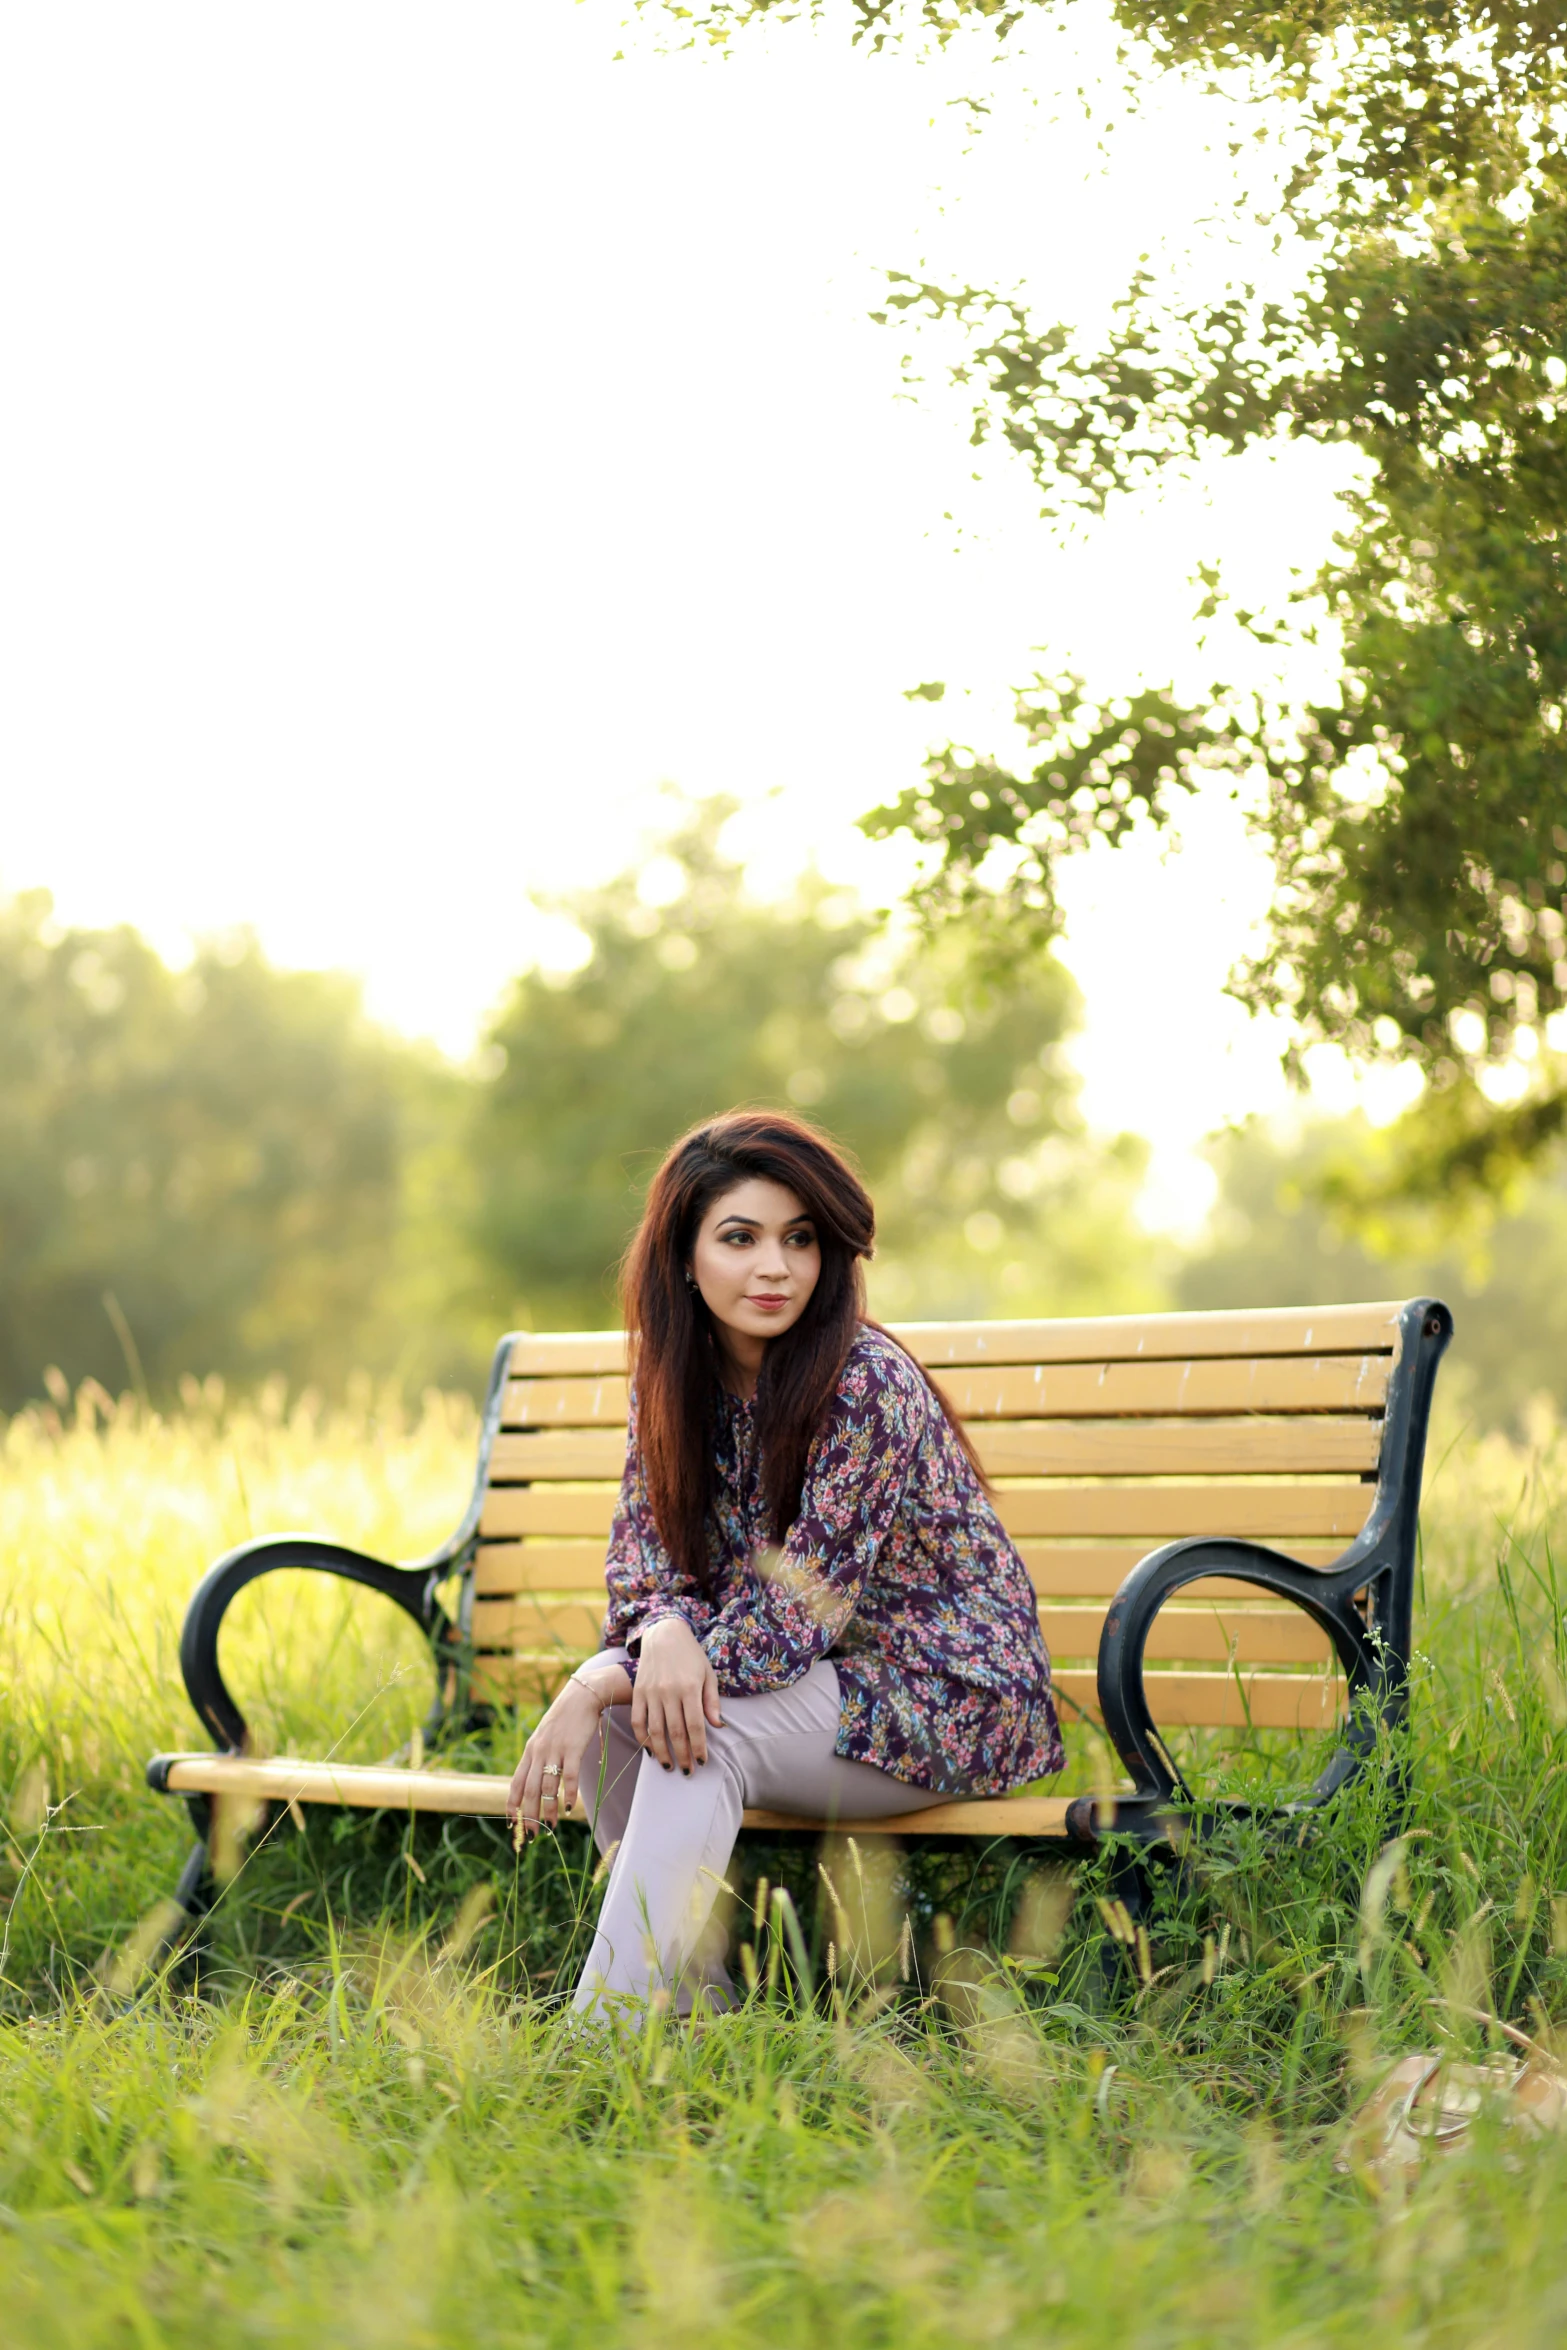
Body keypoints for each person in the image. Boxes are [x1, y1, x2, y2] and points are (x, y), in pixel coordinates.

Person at [505, 1109, 1062, 2017]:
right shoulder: (673, 1379)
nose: (775, 1267)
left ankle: (597, 2046)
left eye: (799, 1240)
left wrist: (596, 1677)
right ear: (684, 1257)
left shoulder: (864, 1383)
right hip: (823, 1685)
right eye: (740, 1238)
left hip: (944, 1692)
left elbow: (788, 1628)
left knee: (690, 1728)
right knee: (634, 1723)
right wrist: (654, 1638)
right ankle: (695, 2013)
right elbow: (641, 1573)